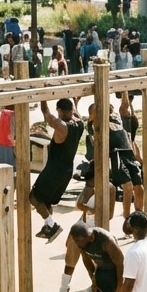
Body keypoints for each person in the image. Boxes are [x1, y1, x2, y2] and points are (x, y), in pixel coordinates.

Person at [30, 98, 84, 243]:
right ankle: (48, 226)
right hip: (66, 171)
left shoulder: (62, 126)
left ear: (59, 110)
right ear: (71, 110)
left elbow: (46, 114)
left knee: (34, 197)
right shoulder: (79, 124)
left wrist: (43, 97)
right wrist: (76, 101)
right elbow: (77, 113)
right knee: (46, 202)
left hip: (54, 170)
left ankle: (51, 225)